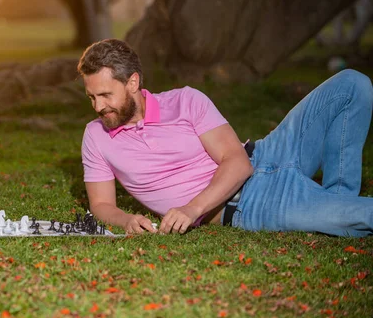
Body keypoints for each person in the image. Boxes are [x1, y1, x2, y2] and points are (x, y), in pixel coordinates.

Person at [78, 38, 373, 237]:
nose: (98, 106)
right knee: (364, 214)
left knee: (352, 84)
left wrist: (192, 208)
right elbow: (102, 205)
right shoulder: (96, 136)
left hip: (269, 153)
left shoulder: (185, 100)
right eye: (91, 96)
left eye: (105, 95)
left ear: (132, 82)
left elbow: (239, 162)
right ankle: (336, 209)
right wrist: (127, 220)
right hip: (250, 204)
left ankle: (336, 201)